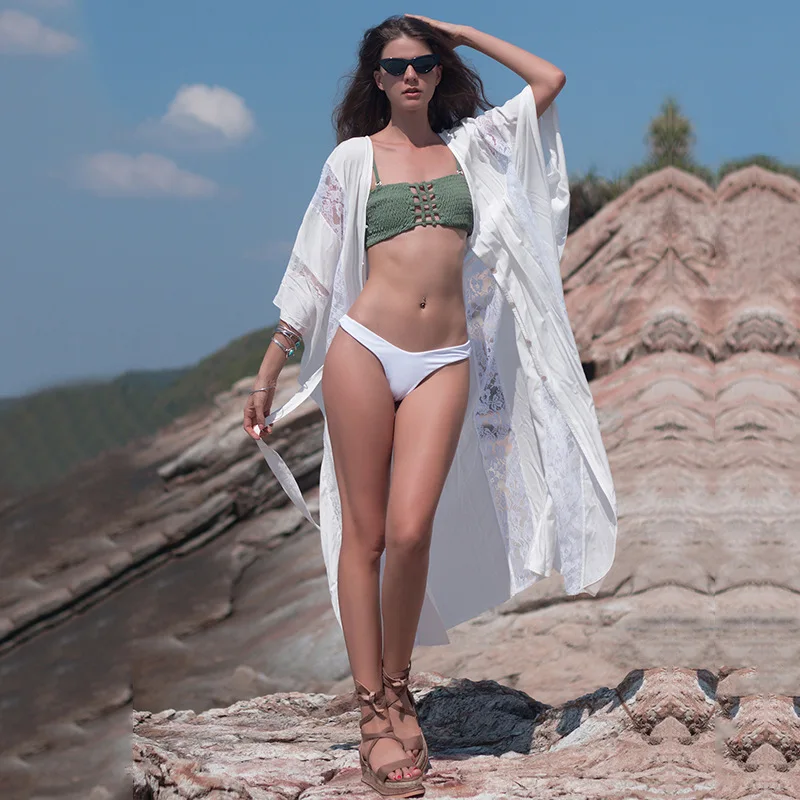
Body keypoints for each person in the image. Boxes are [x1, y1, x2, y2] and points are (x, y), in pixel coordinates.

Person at [244, 14, 618, 797]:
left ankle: (399, 685)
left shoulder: (472, 148)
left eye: (422, 61)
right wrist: (271, 369)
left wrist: (466, 33)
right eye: (394, 65)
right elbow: (313, 267)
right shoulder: (353, 159)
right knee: (367, 536)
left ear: (439, 70)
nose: (409, 74)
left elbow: (548, 80)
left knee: (411, 532)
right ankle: (371, 715)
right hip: (361, 350)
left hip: (444, 359)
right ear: (375, 78)